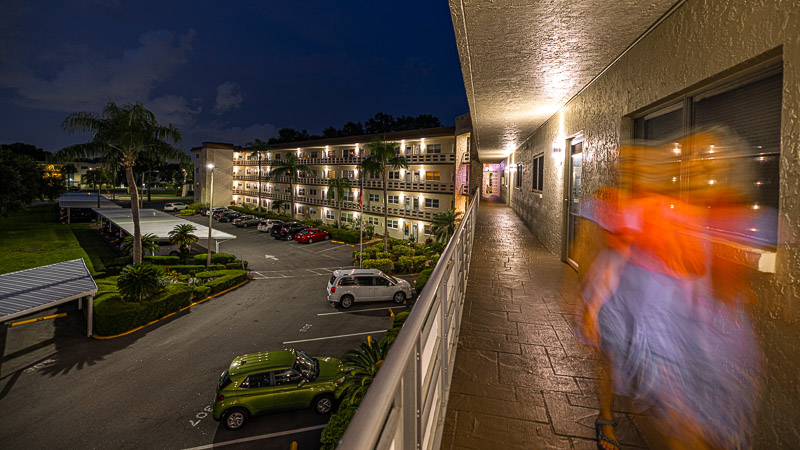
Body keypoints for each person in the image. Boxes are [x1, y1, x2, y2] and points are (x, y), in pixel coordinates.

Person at [579, 130, 765, 450]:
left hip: (668, 312)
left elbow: (701, 265)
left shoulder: (682, 207)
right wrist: (592, 305)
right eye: (627, 167)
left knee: (684, 408)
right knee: (615, 363)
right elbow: (602, 255)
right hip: (622, 298)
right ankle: (607, 417)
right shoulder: (619, 202)